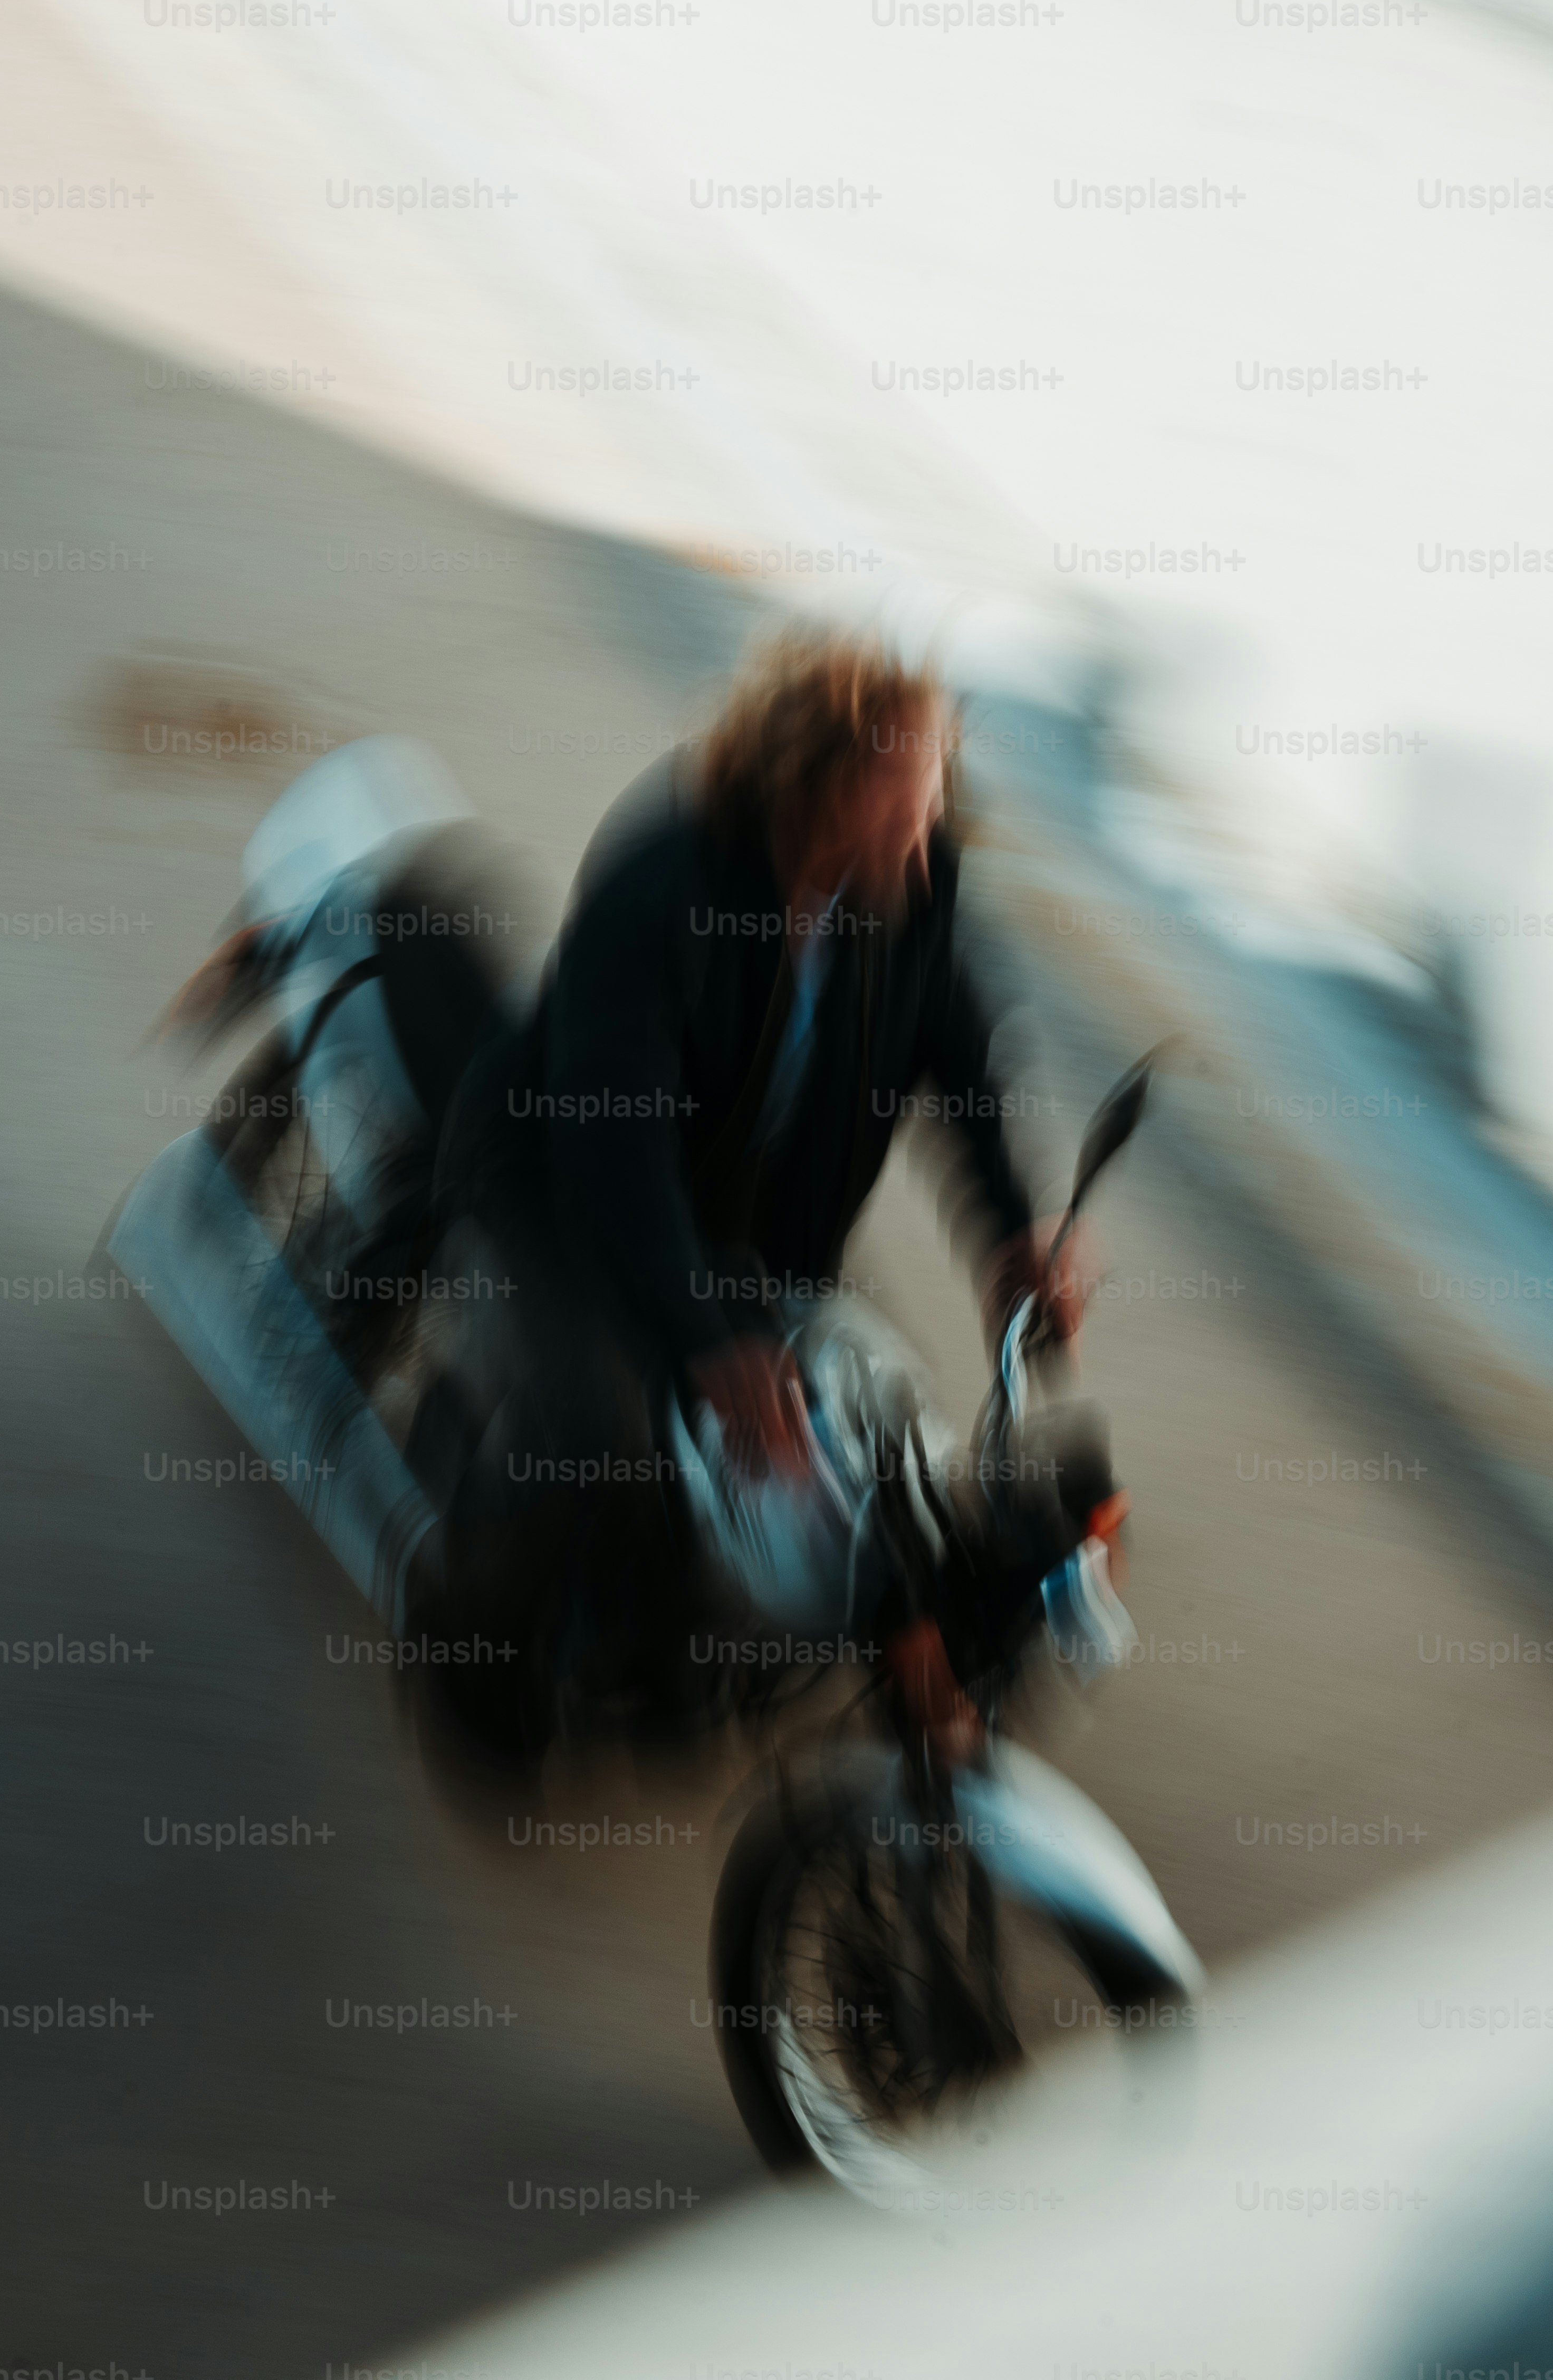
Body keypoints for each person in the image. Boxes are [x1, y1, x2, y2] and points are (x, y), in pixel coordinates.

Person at [413, 626, 1087, 1772]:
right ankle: (469, 1656)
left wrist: (1012, 1223)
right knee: (595, 1438)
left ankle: (685, 1634)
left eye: (934, 791)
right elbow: (610, 1144)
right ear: (822, 787)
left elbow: (962, 1049)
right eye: (906, 795)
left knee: (871, 1436)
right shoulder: (662, 884)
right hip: (558, 1188)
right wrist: (704, 1335)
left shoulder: (907, 877)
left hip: (737, 1216)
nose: (929, 822)